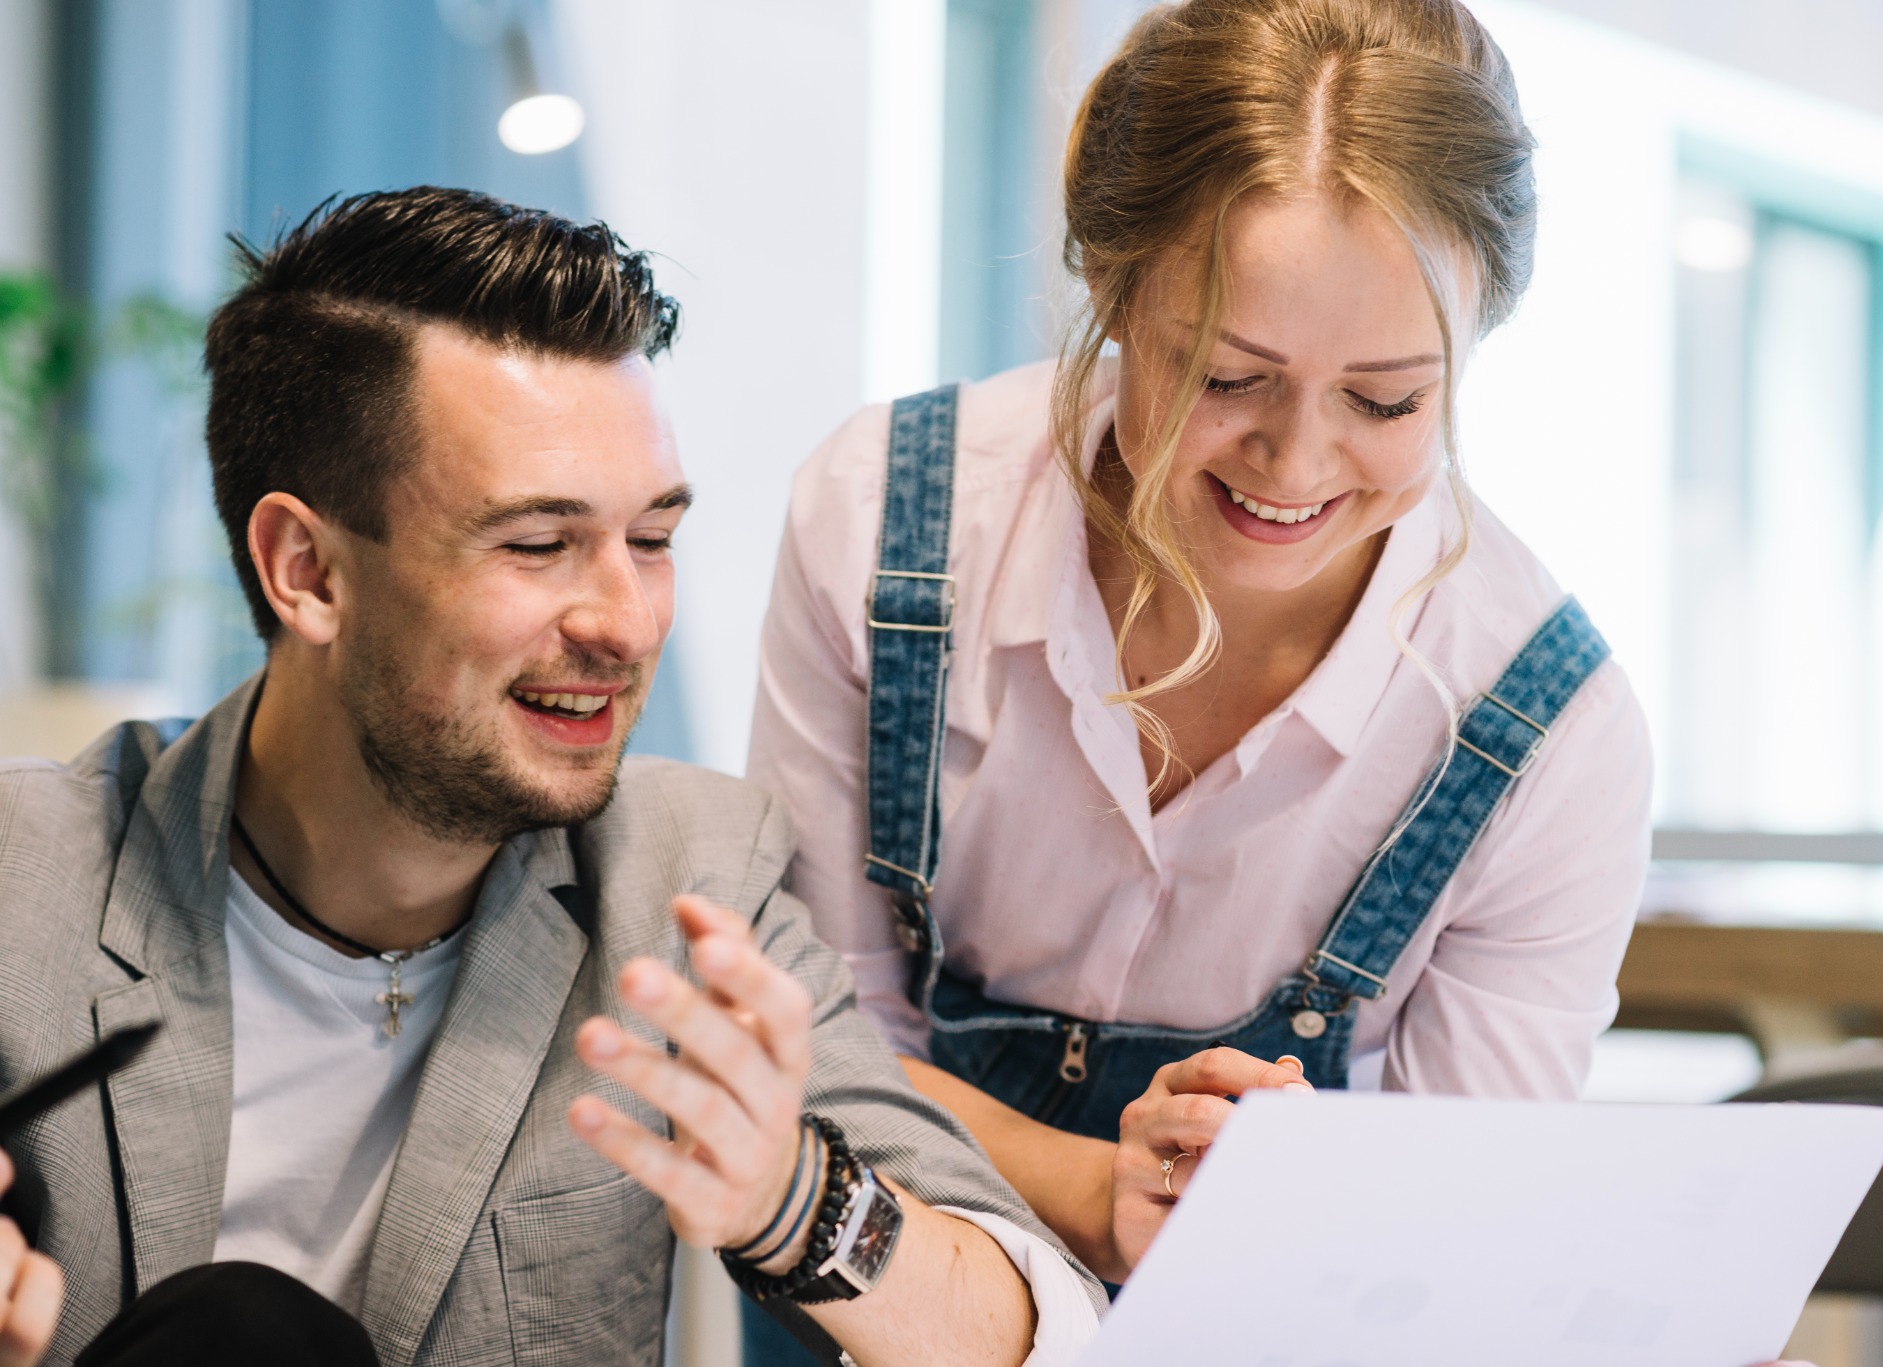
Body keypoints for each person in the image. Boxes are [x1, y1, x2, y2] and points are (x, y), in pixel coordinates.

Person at [0, 187, 1102, 1366]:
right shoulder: (31, 883)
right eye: (537, 544)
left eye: (654, 540)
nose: (625, 623)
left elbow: (1033, 1329)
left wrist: (793, 1198)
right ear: (307, 568)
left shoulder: (686, 886)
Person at [750, 0, 1649, 1319]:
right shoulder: (886, 525)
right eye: (1227, 374)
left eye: (1387, 398)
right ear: (1108, 285)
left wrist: (1307, 1187)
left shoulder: (1542, 728)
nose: (1293, 462)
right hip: (882, 1298)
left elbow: (1454, 1233)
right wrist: (1084, 1182)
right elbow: (808, 1040)